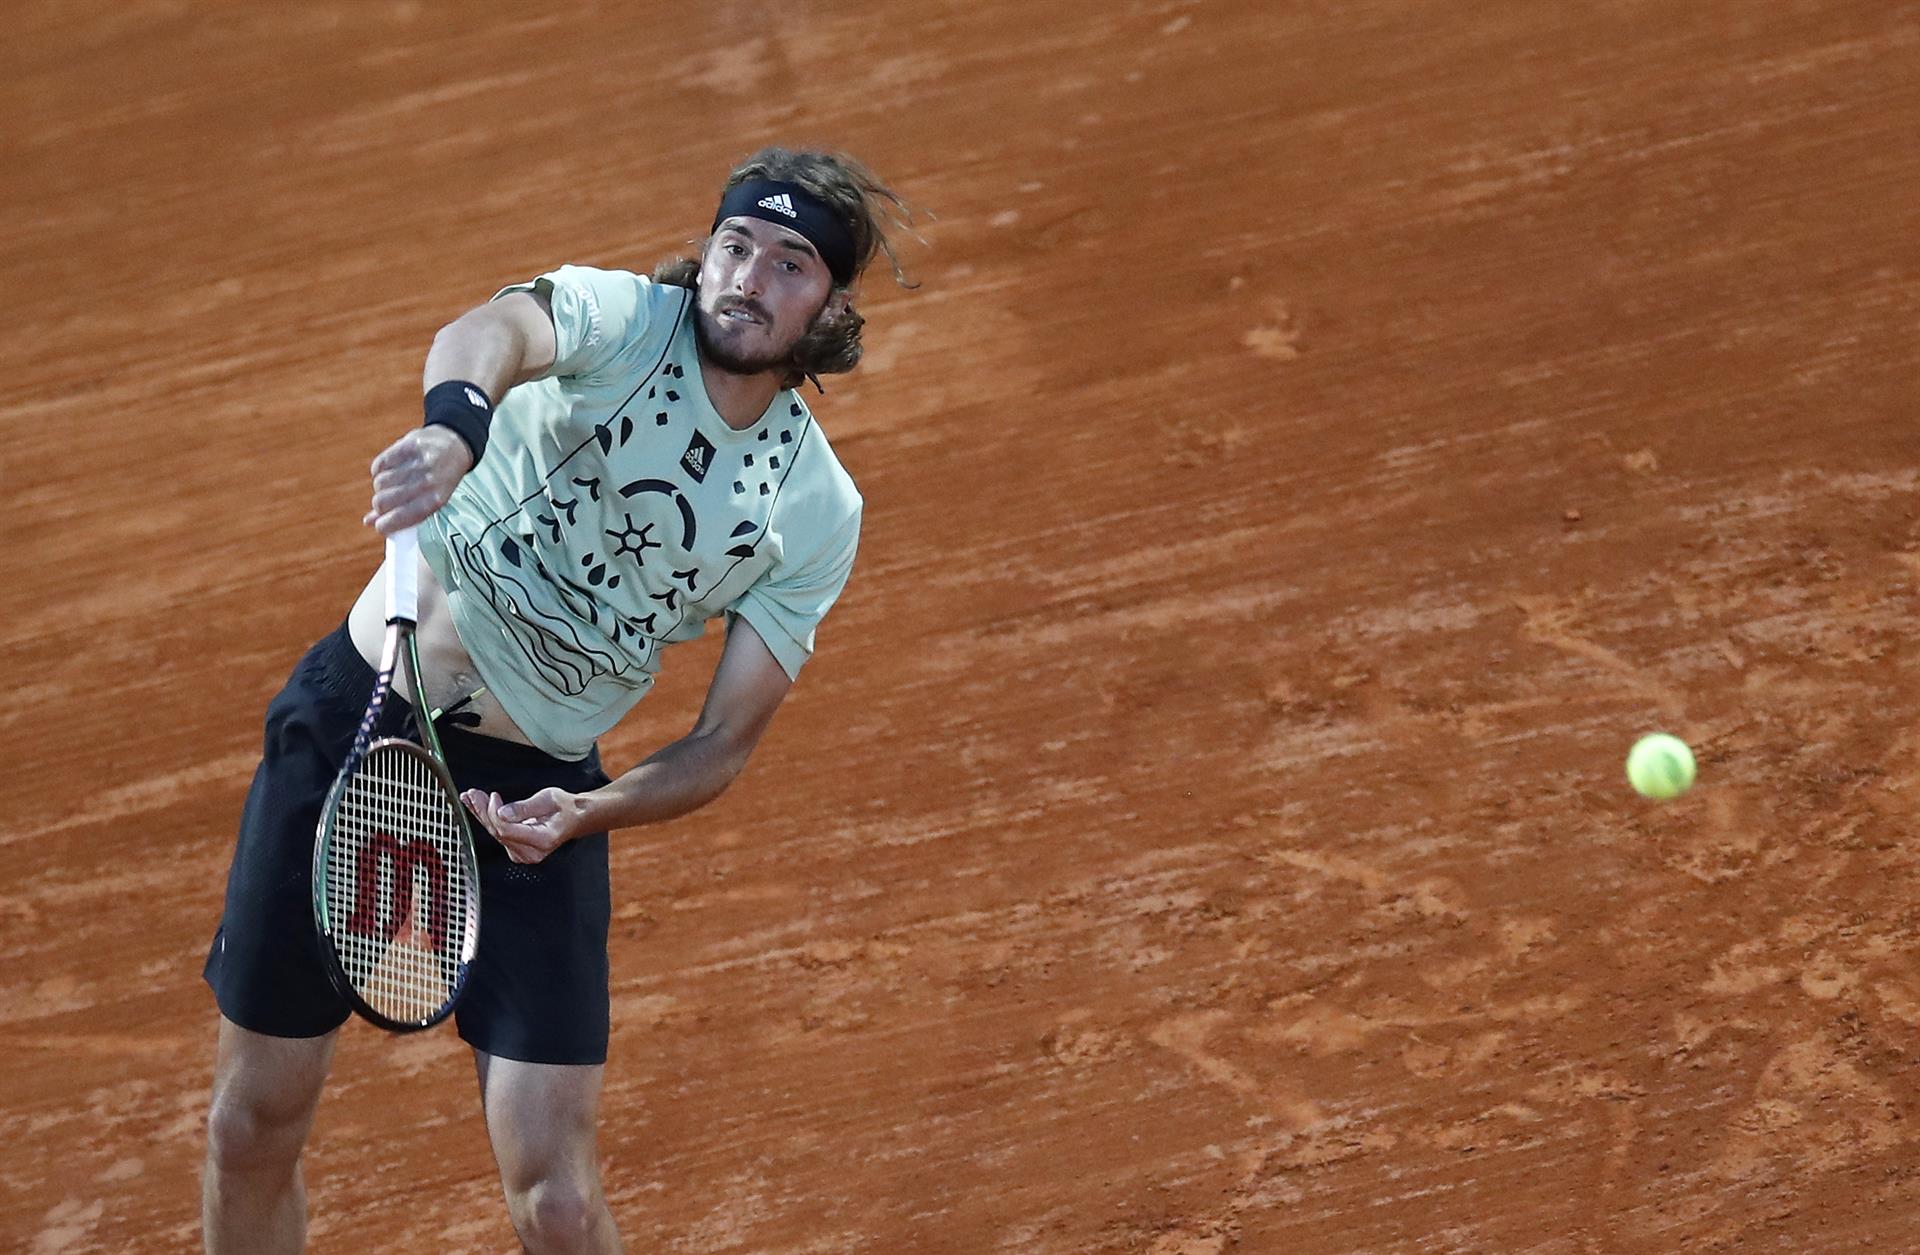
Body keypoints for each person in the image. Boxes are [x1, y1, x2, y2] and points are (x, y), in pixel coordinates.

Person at [200, 146, 913, 1254]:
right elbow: (494, 331)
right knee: (254, 1121)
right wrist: (455, 423)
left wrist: (591, 812)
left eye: (789, 265)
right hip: (365, 716)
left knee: (561, 1201)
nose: (748, 278)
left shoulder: (817, 507)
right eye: (735, 246)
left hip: (537, 803)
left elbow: (723, 740)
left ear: (828, 305)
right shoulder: (626, 321)